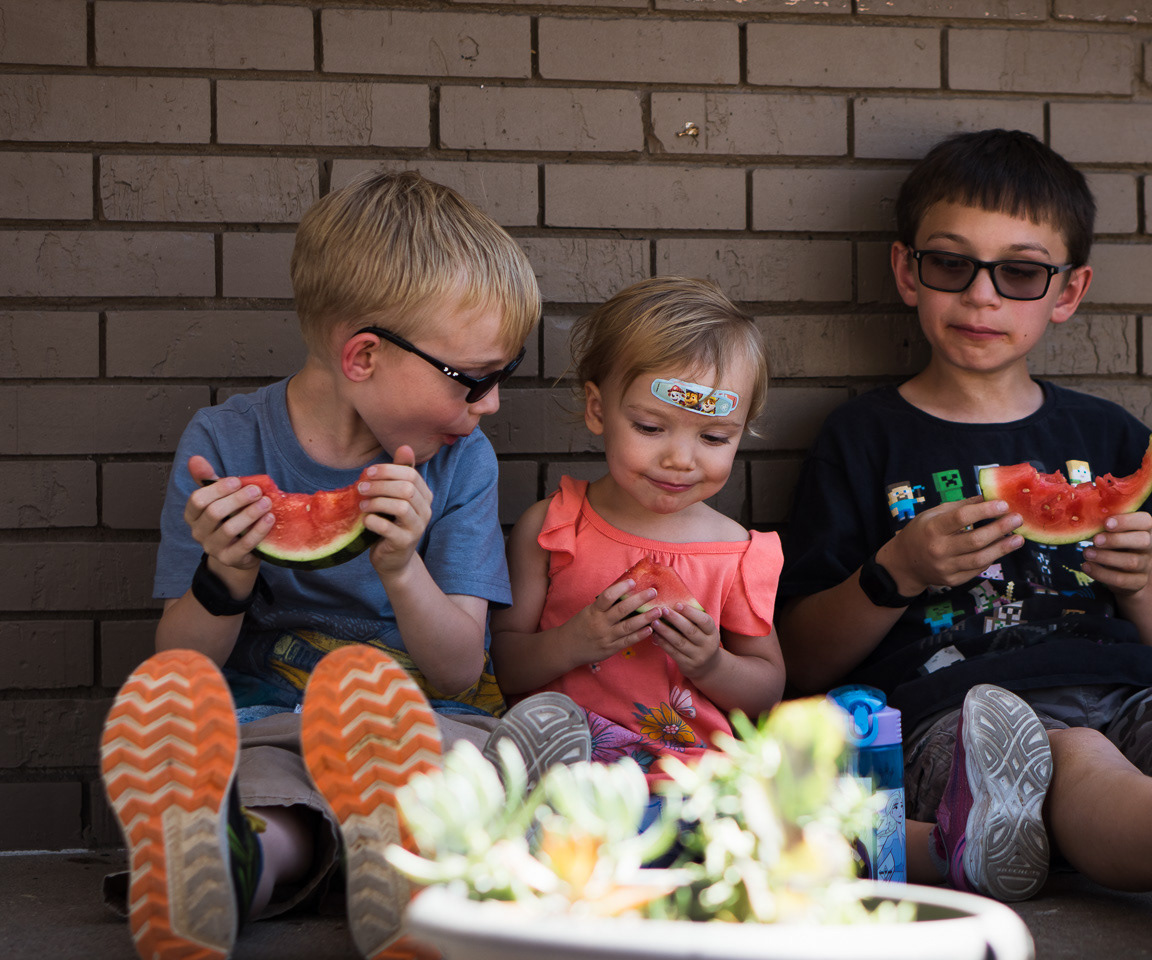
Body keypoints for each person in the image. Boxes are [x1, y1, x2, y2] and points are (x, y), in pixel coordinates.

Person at [776, 129, 1152, 940]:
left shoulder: (1113, 438)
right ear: (906, 271)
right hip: (962, 719)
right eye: (950, 263)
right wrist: (895, 571)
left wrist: (1140, 583)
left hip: (1133, 687)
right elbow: (801, 659)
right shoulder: (860, 439)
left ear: (1067, 292)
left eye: (1021, 272)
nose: (982, 296)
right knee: (1072, 758)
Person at [98, 171, 590, 960]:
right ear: (363, 355)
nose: (491, 404)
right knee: (272, 806)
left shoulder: (463, 461)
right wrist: (225, 573)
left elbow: (458, 669)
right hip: (271, 721)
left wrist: (403, 567)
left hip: (424, 722)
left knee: (454, 766)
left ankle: (407, 857)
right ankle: (221, 869)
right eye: (475, 380)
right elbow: (182, 664)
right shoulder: (224, 443)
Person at [489, 277, 786, 788]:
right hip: (563, 776)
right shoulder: (554, 529)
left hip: (689, 782)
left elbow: (767, 693)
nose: (680, 459)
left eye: (714, 437)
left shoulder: (737, 555)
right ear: (598, 410)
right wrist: (573, 642)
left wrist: (712, 664)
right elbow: (502, 666)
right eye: (650, 428)